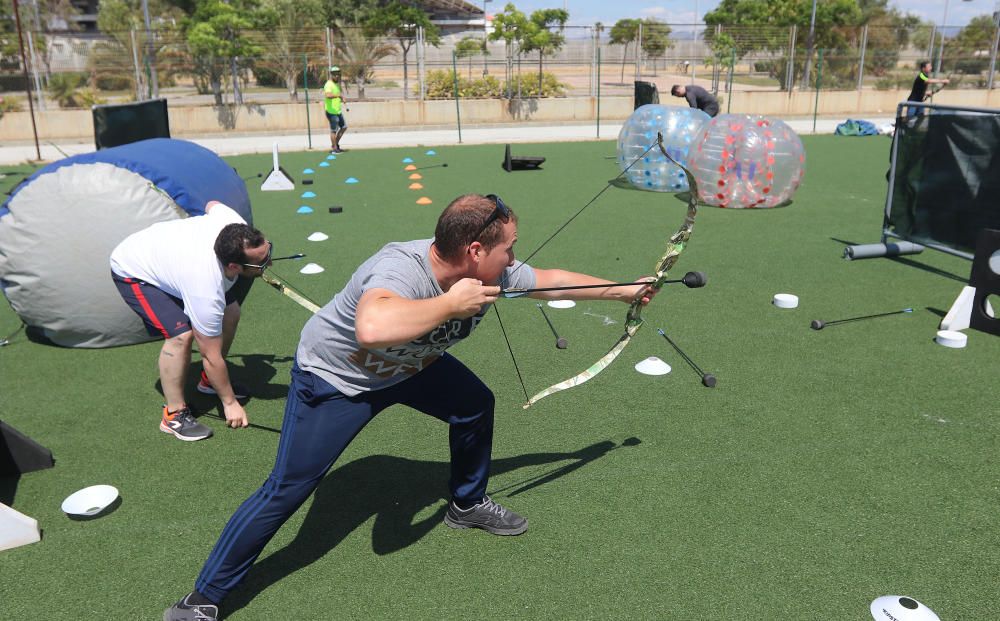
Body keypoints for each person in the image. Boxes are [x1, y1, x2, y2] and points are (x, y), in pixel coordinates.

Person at [163, 193, 659, 620]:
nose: (513, 259)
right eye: (508, 248)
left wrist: (623, 290)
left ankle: (466, 504)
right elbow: (372, 328)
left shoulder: (489, 271)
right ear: (474, 250)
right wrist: (448, 305)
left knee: (474, 404)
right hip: (338, 380)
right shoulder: (400, 266)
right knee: (286, 488)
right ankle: (202, 598)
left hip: (411, 368)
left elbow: (548, 279)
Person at [110, 201, 271, 442]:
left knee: (232, 312)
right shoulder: (206, 286)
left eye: (267, 253)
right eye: (260, 263)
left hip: (173, 259)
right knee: (181, 336)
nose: (269, 263)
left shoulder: (232, 221)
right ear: (234, 266)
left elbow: (211, 204)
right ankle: (173, 415)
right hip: (134, 268)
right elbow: (209, 354)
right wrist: (230, 403)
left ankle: (209, 383)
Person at [323, 65, 348, 153]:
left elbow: (336, 95)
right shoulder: (328, 84)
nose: (337, 76)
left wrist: (342, 98)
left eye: (338, 74)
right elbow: (328, 95)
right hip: (331, 112)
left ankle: (335, 144)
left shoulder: (336, 85)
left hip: (338, 111)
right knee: (334, 130)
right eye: (335, 74)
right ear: (331, 75)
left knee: (344, 127)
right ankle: (334, 149)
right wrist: (339, 95)